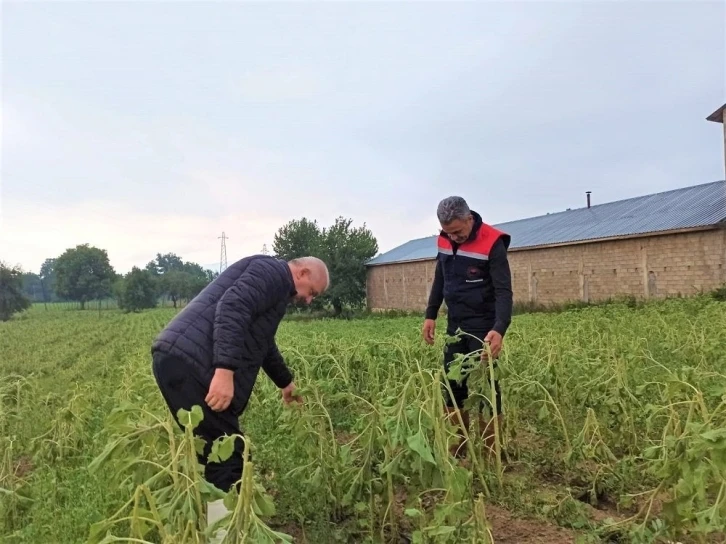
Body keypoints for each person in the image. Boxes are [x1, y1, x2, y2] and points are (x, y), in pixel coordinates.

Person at [150, 254, 329, 539]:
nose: (308, 300)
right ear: (303, 273)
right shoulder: (273, 272)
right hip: (194, 366)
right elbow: (233, 306)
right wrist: (224, 370)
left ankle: (206, 529)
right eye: (312, 293)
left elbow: (262, 343)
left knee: (211, 452)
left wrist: (286, 383)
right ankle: (225, 536)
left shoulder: (274, 285)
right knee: (227, 455)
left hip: (180, 360)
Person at [422, 196, 513, 459]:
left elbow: (504, 291)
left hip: (484, 325)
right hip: (456, 325)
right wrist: (431, 314)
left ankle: (490, 453)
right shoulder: (445, 238)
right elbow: (440, 277)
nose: (455, 238)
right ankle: (458, 447)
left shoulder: (492, 242)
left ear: (469, 219)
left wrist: (500, 328)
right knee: (452, 386)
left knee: (486, 388)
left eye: (459, 232)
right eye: (449, 233)